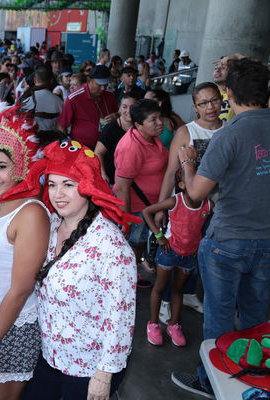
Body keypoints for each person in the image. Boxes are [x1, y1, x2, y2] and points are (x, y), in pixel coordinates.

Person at [172, 58, 270, 399]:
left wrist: (187, 161)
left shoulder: (229, 134)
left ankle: (211, 381)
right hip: (267, 241)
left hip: (227, 241)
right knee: (257, 319)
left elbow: (196, 194)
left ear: (228, 95)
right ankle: (255, 380)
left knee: (219, 319)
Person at [18, 140, 138, 400]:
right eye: (52, 184)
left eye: (68, 184)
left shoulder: (111, 245)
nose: (57, 193)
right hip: (51, 356)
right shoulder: (48, 226)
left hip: (88, 368)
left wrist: (104, 375)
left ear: (87, 185)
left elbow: (121, 316)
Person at [0, 102, 50, 399]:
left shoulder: (30, 214)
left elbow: (20, 289)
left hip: (12, 326)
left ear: (19, 165)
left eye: (1, 166)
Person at [152, 82, 223, 323]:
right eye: (203, 103)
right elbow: (172, 171)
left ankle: (190, 293)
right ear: (195, 107)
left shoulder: (229, 129)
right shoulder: (187, 132)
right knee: (177, 251)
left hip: (216, 209)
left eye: (214, 100)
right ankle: (165, 300)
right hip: (186, 208)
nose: (210, 107)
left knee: (195, 255)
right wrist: (162, 207)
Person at [143, 169, 213, 347]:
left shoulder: (209, 205)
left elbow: (215, 222)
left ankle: (174, 325)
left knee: (178, 290)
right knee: (160, 287)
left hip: (189, 256)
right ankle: (153, 324)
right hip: (169, 253)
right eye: (193, 181)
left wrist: (203, 241)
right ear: (181, 185)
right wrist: (159, 236)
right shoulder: (175, 201)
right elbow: (147, 212)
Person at [114, 99, 168, 270]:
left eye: (160, 117)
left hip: (150, 207)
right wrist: (126, 221)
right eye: (153, 119)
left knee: (141, 243)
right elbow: (122, 187)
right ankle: (130, 278)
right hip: (136, 210)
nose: (160, 122)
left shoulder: (152, 138)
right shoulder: (131, 147)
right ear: (138, 124)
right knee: (132, 247)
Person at [57, 65, 118, 149]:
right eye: (99, 85)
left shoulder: (109, 96)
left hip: (106, 146)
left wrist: (116, 116)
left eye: (105, 84)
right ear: (89, 80)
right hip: (81, 148)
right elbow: (61, 126)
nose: (103, 88)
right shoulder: (74, 98)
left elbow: (119, 115)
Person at [94, 93, 138, 185]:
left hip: (136, 181)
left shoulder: (141, 126)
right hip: (113, 181)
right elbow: (98, 153)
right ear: (119, 109)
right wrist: (103, 174)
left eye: (132, 107)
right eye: (124, 107)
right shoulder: (110, 128)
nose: (129, 110)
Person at [20, 66, 64, 132]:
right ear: (51, 80)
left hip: (29, 139)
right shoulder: (59, 101)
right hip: (53, 140)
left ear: (35, 80)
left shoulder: (26, 99)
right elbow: (62, 127)